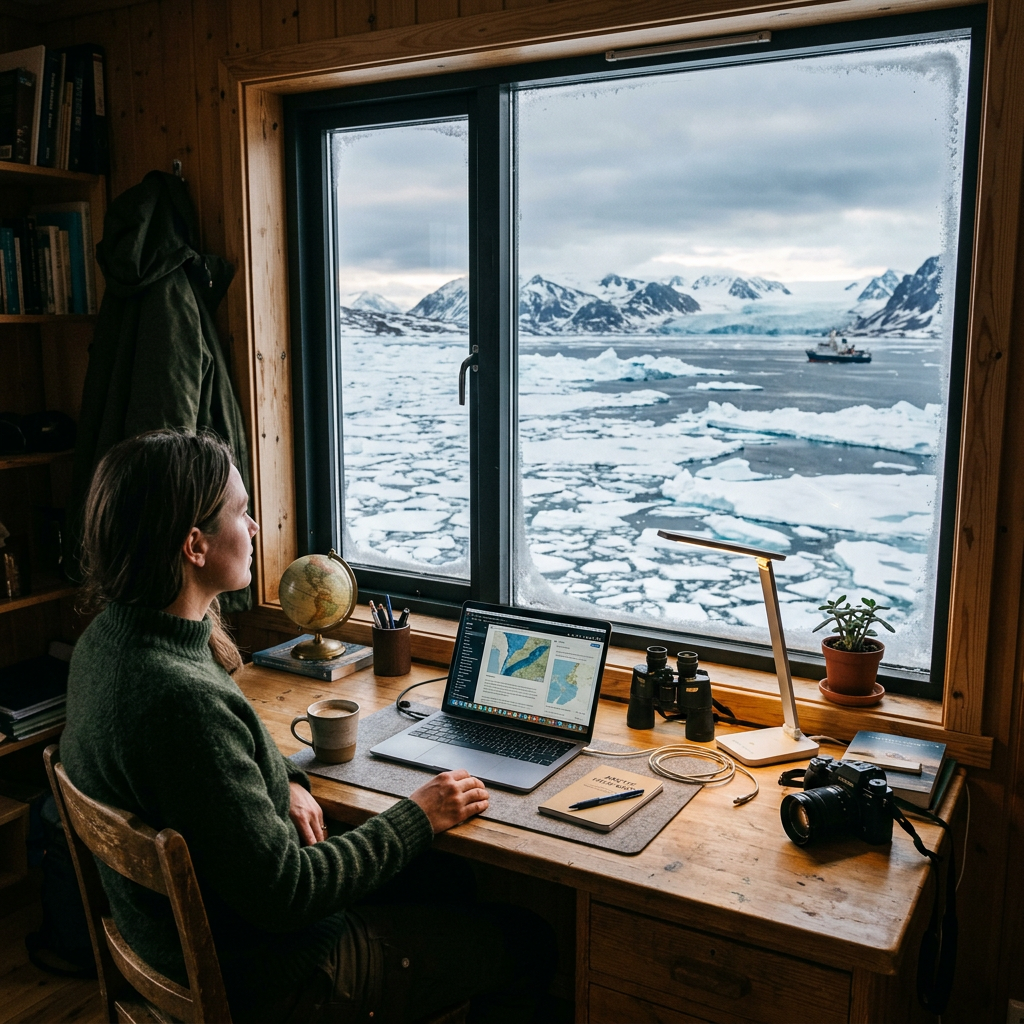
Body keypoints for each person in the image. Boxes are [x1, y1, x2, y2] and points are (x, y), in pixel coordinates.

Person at [60, 429, 554, 1023]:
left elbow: (212, 780)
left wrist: (287, 783)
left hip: (173, 943)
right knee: (528, 937)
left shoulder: (108, 642)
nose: (255, 530)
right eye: (242, 514)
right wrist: (418, 813)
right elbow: (288, 893)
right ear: (195, 545)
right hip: (273, 977)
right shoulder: (180, 698)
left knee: (449, 880)